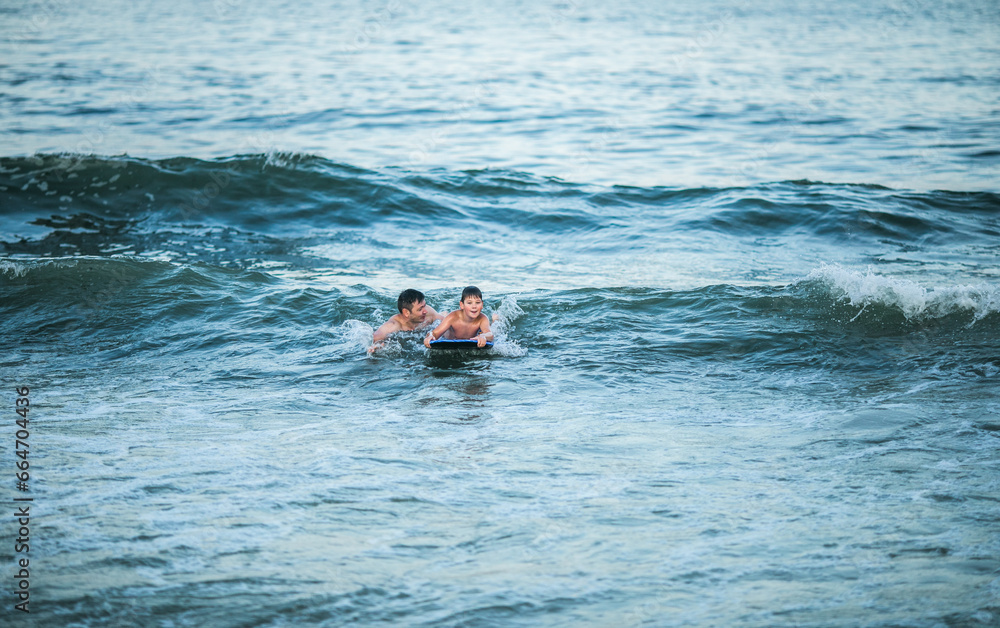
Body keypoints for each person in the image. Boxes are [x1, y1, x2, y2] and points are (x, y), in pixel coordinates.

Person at [369, 289, 444, 353]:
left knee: (444, 315)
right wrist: (376, 348)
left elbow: (445, 321)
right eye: (420, 309)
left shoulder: (428, 312)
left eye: (424, 306)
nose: (425, 311)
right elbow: (375, 338)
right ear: (406, 313)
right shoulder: (393, 326)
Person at [424, 286, 494, 348]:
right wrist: (430, 336)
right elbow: (435, 333)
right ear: (462, 305)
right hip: (449, 337)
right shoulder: (453, 317)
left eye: (478, 302)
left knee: (493, 329)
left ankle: (495, 320)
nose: (474, 306)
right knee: (444, 319)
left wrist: (483, 336)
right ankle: (444, 314)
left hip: (470, 338)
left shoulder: (482, 318)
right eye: (469, 303)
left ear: (482, 304)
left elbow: (490, 334)